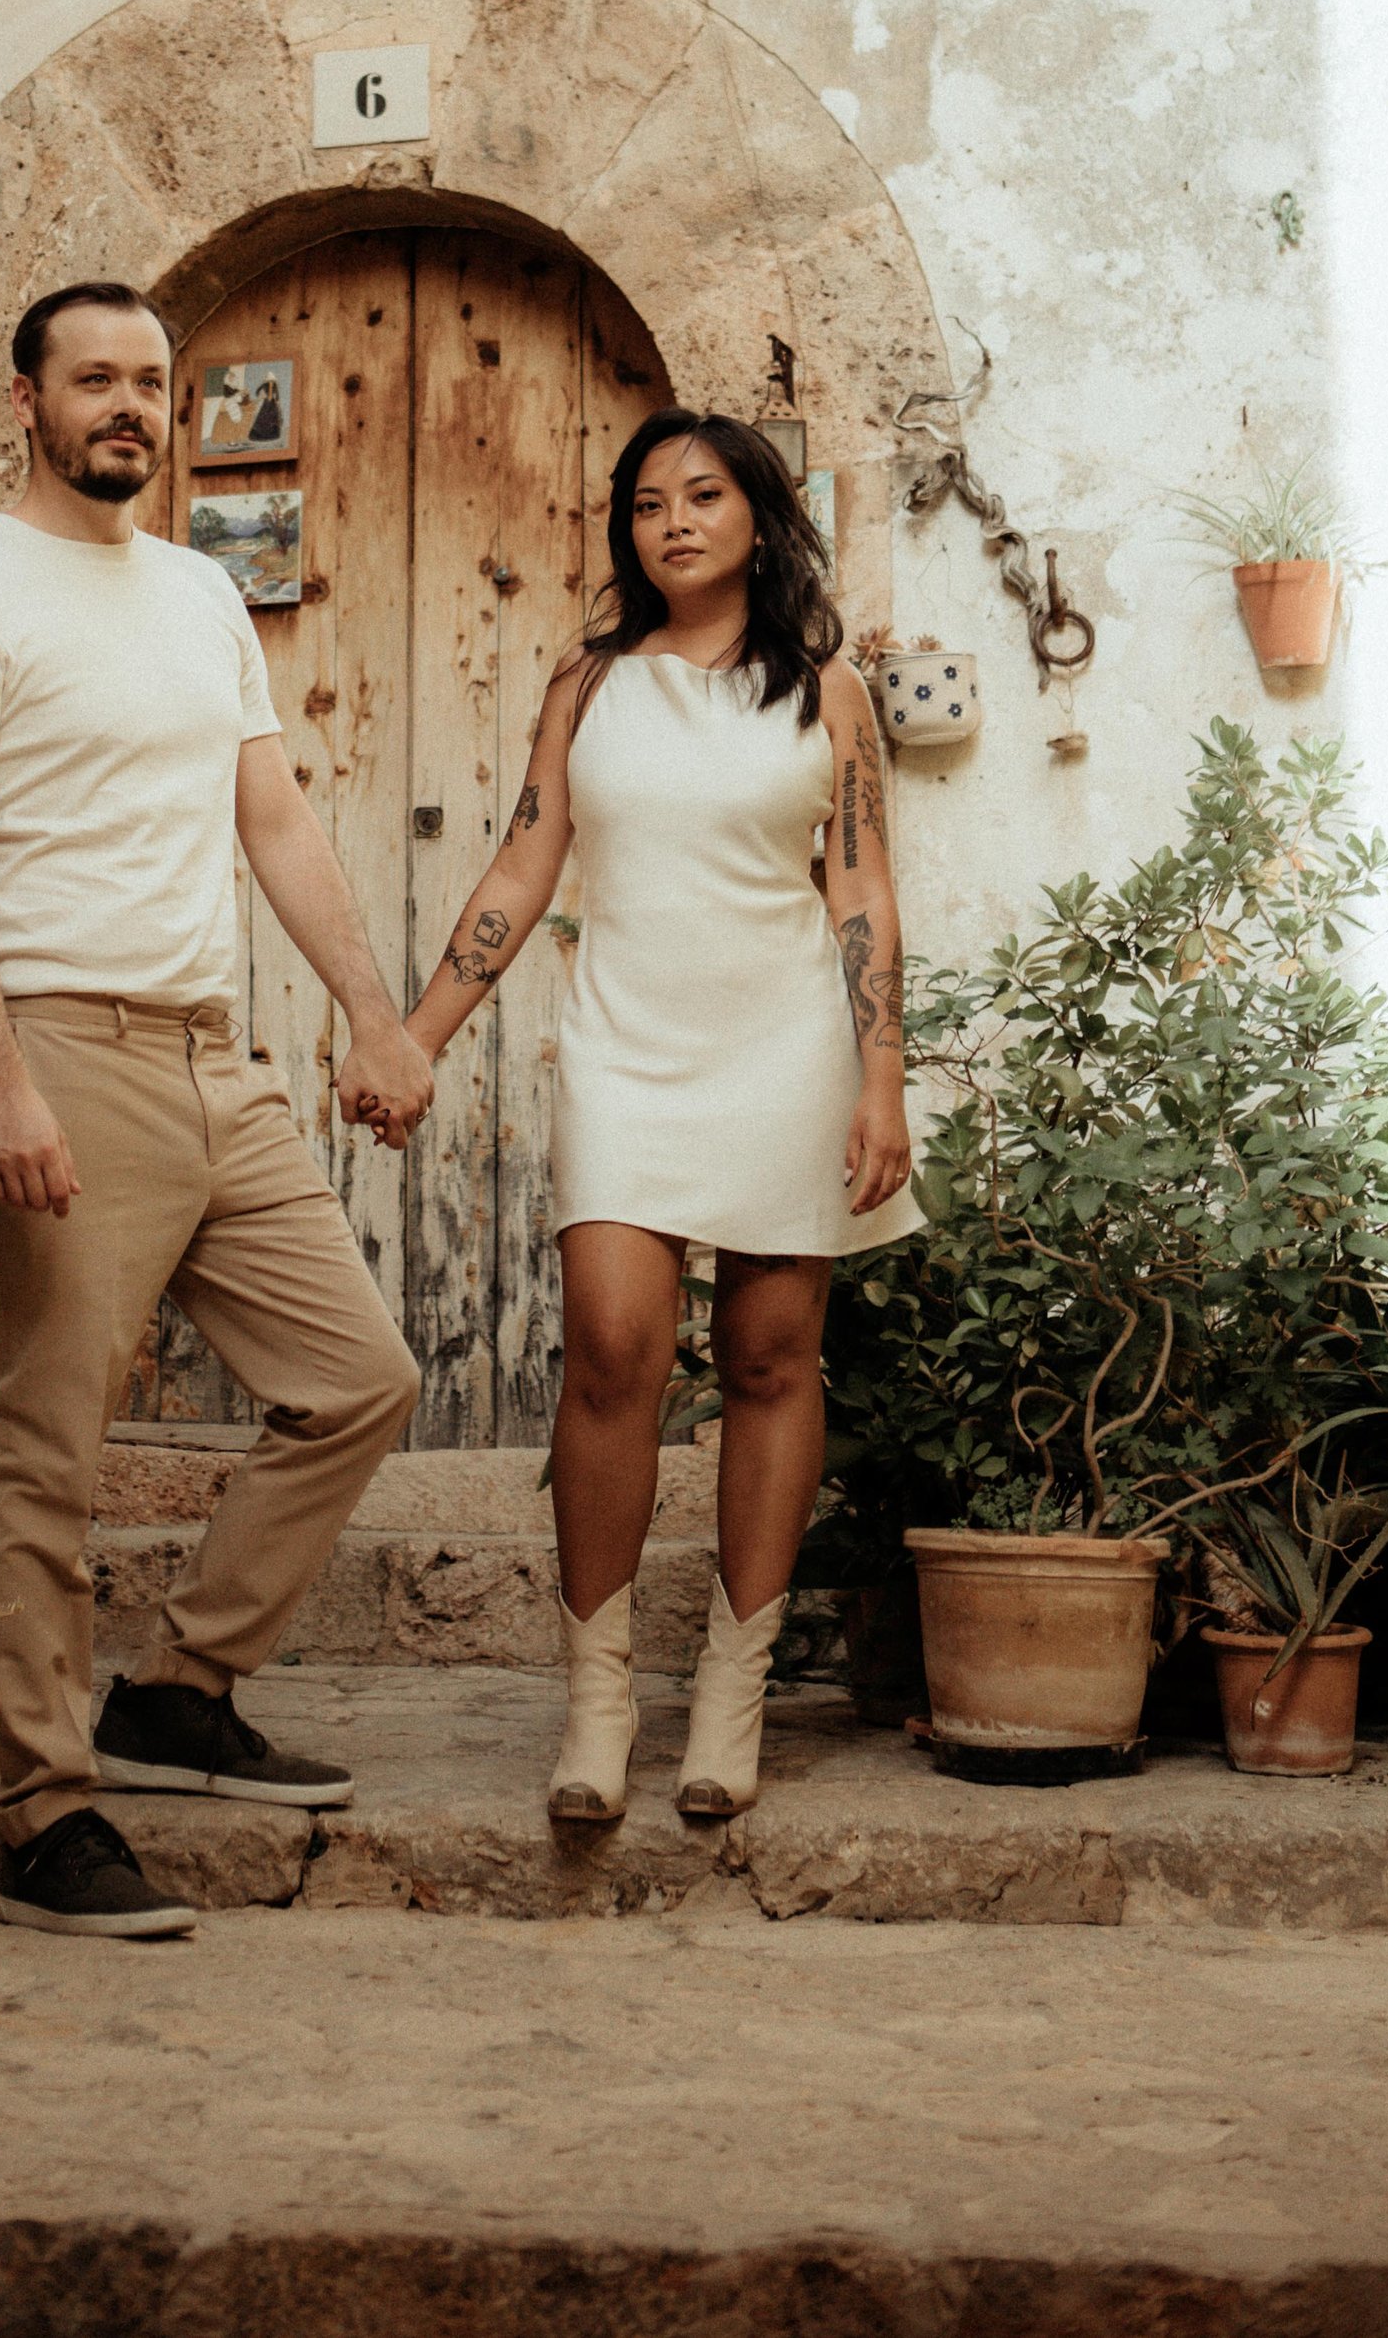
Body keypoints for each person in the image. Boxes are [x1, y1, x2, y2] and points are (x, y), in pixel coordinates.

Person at [0, 280, 433, 1941]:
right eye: (97, 378)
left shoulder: (203, 596)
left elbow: (273, 821)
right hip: (63, 1049)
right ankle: (47, 1817)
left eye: (152, 382)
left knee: (356, 1379)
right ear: (26, 400)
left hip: (216, 1059)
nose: (130, 405)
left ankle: (180, 1694)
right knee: (42, 1449)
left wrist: (369, 1012)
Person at [402, 408, 919, 1826]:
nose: (672, 521)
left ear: (760, 513)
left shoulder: (831, 691)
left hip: (786, 1046)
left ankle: (734, 1696)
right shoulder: (587, 683)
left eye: (702, 495)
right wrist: (420, 1033)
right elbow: (521, 862)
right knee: (614, 1349)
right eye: (645, 504)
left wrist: (881, 1079)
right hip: (629, 1047)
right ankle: (600, 1698)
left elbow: (862, 891)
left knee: (769, 1358)